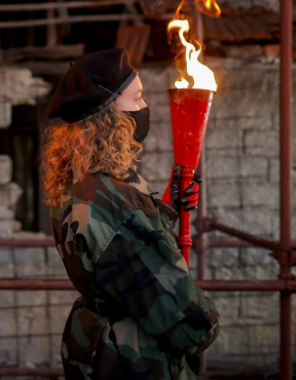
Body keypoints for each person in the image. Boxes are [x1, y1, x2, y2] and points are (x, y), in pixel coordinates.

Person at [41, 48, 219, 380]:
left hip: (99, 350)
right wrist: (207, 320)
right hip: (134, 362)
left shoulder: (80, 186)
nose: (144, 108)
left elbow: (117, 262)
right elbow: (190, 326)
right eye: (136, 99)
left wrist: (165, 207)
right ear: (108, 118)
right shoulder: (115, 206)